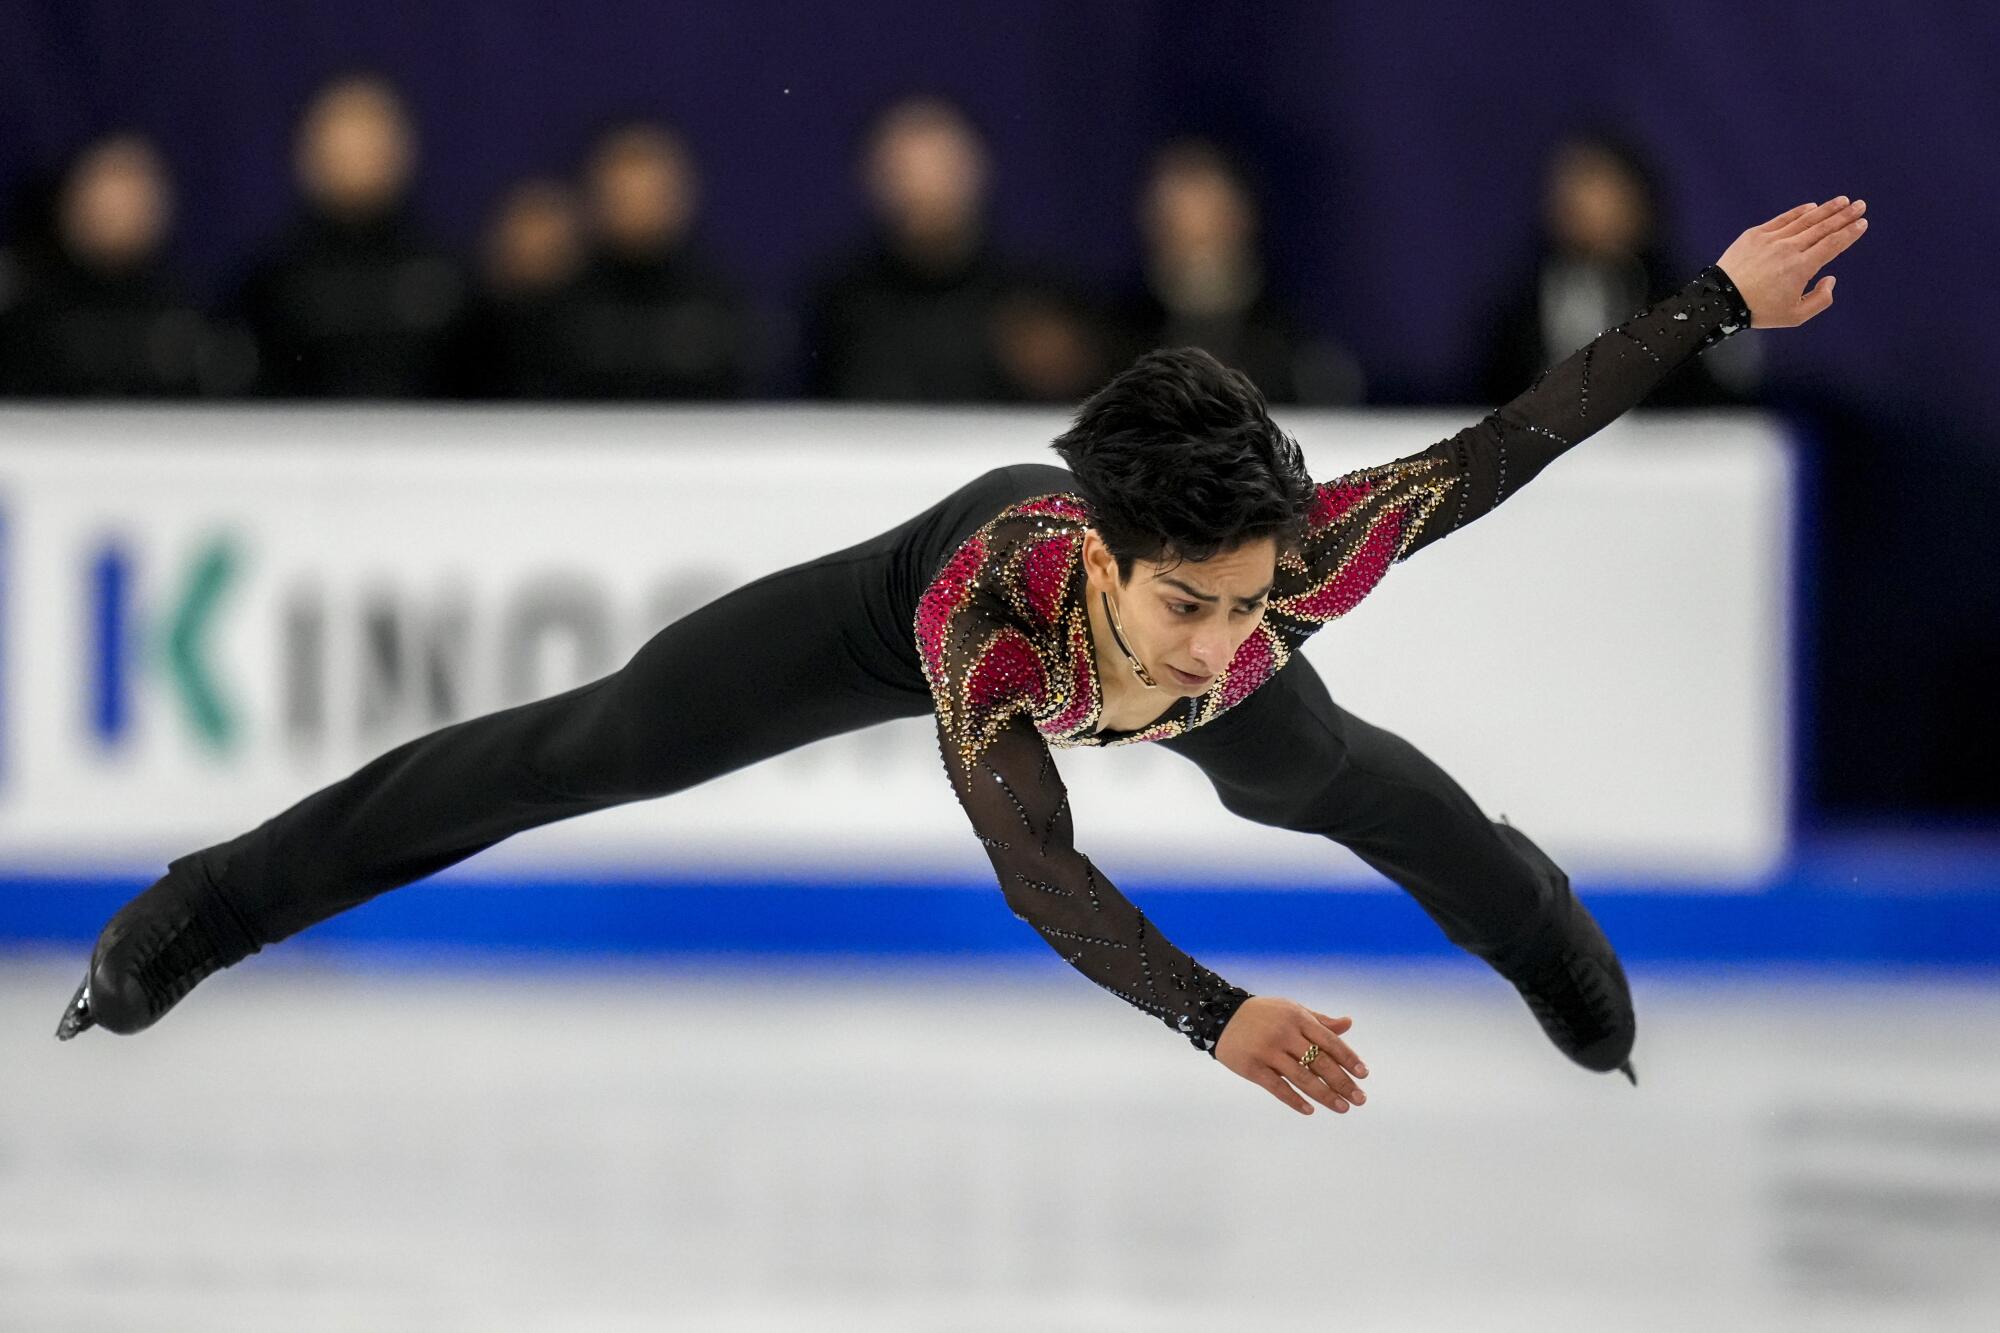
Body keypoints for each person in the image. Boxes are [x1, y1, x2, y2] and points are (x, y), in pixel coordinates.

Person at [58, 199, 1867, 1117]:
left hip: (1204, 645)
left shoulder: (1288, 571)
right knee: (575, 748)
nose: (1227, 638)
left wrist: (1711, 300)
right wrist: (1211, 1009)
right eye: (1190, 606)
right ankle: (202, 911)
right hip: (887, 600)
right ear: (1104, 554)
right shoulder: (987, 623)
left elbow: (1522, 432)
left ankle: (1550, 943)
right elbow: (1037, 863)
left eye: (1255, 598)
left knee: (1369, 790)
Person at [1481, 132, 1759, 408]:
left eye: (1597, 187)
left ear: (1638, 199)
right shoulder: (1522, 303)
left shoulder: (1682, 298)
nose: (1580, 203)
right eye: (1569, 189)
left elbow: (1723, 394)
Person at [234, 75, 465, 397]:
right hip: (298, 443)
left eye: (370, 143)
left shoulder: (448, 277)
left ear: (400, 151)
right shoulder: (271, 282)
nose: (356, 159)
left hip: (424, 443)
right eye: (343, 144)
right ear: (309, 155)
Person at [802, 95, 1022, 400]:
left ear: (976, 171)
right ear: (874, 180)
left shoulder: (1034, 303)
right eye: (906, 171)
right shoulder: (841, 304)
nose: (926, 190)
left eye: (941, 169)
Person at [1124, 139, 1363, 406]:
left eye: (1208, 228)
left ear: (1241, 219)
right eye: (1174, 227)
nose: (1193, 246)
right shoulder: (1115, 347)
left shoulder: (1297, 355)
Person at [0, 135, 236, 397]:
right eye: (103, 204)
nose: (115, 217)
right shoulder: (28, 315)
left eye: (129, 202)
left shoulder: (185, 315)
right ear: (68, 206)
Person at [554, 122, 754, 399]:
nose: (638, 210)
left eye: (649, 195)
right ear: (593, 197)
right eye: (623, 196)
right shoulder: (557, 305)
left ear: (681, 197)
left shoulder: (721, 304)